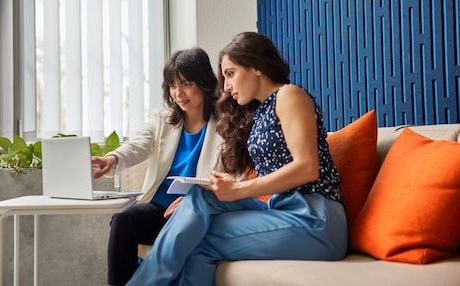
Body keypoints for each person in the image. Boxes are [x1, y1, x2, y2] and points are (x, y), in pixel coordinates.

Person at [125, 31, 349, 286]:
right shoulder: (262, 111)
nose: (226, 85)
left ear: (255, 67)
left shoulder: (290, 95)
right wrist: (223, 187)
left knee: (201, 238)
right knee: (202, 195)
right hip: (282, 210)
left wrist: (239, 189)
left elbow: (307, 168)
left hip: (315, 219)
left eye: (230, 73)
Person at [91, 47, 223, 286]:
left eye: (186, 83)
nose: (178, 93)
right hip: (160, 211)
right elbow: (138, 145)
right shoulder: (163, 120)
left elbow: (232, 174)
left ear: (204, 82)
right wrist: (113, 159)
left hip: (195, 211)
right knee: (124, 220)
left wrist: (200, 197)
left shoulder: (224, 126)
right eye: (172, 85)